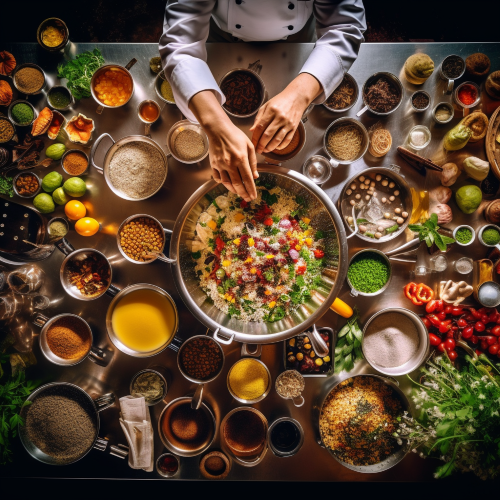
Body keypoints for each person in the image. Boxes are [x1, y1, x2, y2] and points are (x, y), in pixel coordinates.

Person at [159, 0, 366, 201]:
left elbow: (344, 26)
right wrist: (215, 126)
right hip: (223, 38)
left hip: (298, 41)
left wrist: (299, 95)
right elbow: (179, 44)